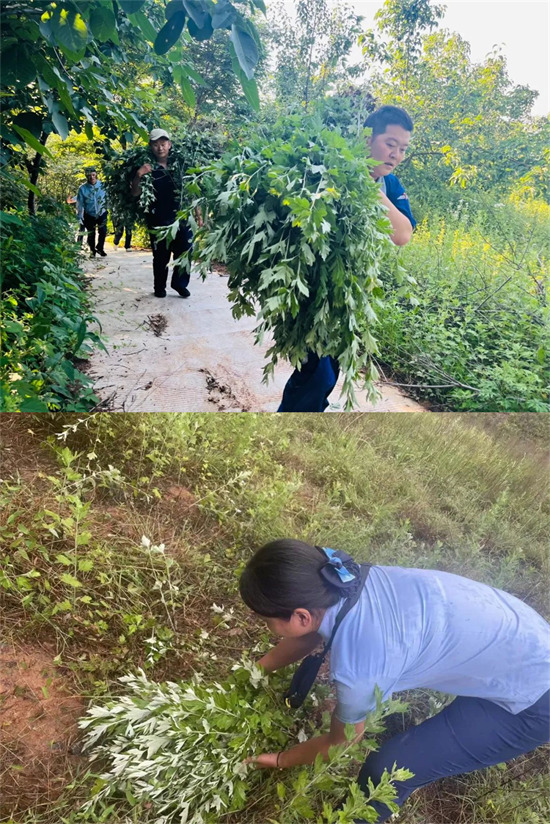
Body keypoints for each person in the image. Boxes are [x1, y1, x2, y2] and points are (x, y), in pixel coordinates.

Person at [239, 539, 550, 823]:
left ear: (301, 616)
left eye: (268, 621)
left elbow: (343, 740)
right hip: (521, 639)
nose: (268, 628)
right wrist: (256, 670)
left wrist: (281, 759)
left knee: (388, 770)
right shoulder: (341, 578)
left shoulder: (359, 668)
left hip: (532, 700)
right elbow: (315, 628)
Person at [278, 105, 416, 413]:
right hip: (310, 287)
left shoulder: (390, 186)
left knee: (330, 370)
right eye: (390, 144)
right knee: (315, 372)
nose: (396, 155)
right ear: (367, 139)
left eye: (403, 149)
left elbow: (402, 234)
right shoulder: (332, 170)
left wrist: (370, 187)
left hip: (351, 293)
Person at [130, 128, 192, 298]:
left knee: (185, 251)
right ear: (151, 147)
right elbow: (135, 193)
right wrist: (138, 175)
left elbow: (192, 192)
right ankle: (159, 287)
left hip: (181, 217)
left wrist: (199, 215)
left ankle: (179, 284)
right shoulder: (145, 167)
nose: (160, 148)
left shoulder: (181, 165)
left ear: (169, 145)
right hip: (157, 218)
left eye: (163, 144)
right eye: (156, 145)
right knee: (161, 256)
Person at [76, 167, 108, 257]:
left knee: (103, 231)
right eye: (89, 176)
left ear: (96, 175)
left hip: (102, 212)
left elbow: (108, 197)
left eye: (93, 175)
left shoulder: (103, 185)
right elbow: (80, 203)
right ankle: (92, 250)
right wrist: (79, 216)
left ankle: (100, 248)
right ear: (86, 176)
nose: (92, 177)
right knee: (91, 233)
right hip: (89, 213)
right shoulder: (82, 188)